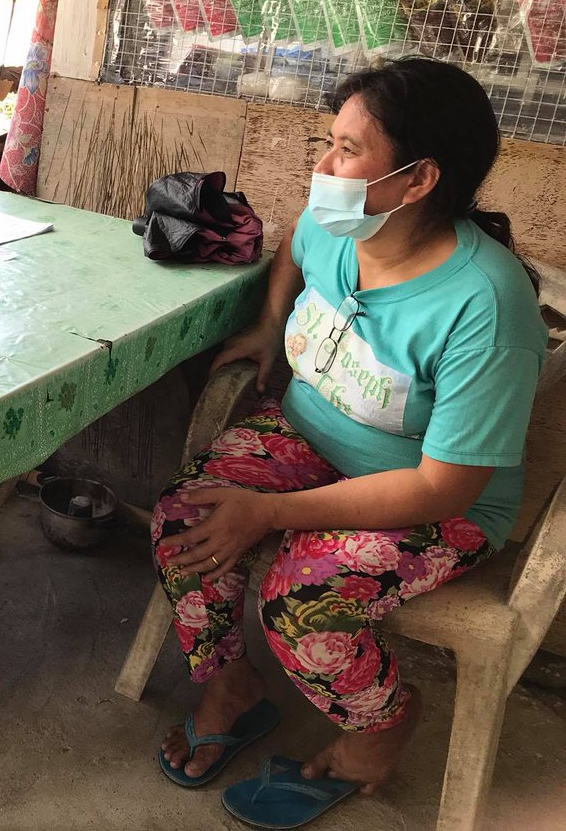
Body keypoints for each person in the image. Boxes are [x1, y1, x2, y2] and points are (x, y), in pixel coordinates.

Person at [148, 57, 547, 828]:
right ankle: (231, 686)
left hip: (429, 500)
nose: (322, 166)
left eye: (347, 149)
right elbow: (296, 247)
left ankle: (383, 724)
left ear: (419, 178)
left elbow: (445, 489)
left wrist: (268, 515)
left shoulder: (486, 306)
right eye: (325, 142)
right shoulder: (341, 228)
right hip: (309, 440)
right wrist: (271, 321)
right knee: (182, 518)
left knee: (301, 602)